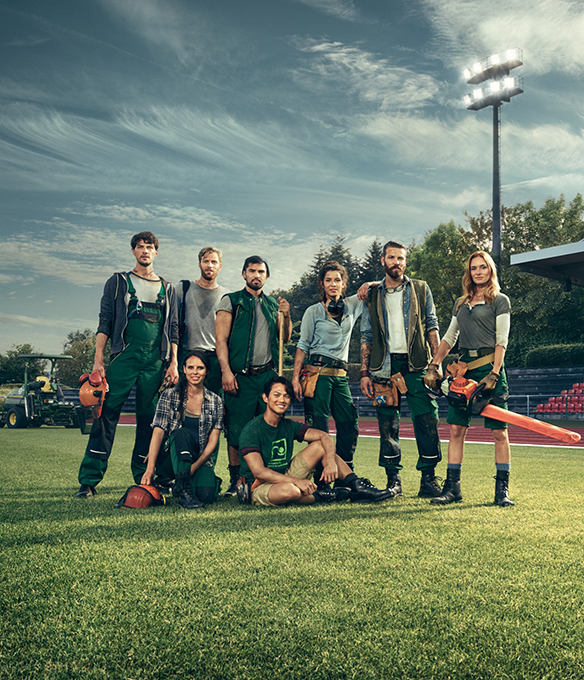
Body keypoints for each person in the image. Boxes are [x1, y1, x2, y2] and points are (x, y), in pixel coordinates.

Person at [75, 231, 179, 498]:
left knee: (150, 421)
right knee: (105, 415)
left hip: (156, 362)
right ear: (133, 251)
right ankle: (89, 480)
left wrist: (173, 363)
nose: (145, 251)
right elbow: (105, 321)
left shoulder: (168, 288)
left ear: (157, 252)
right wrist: (99, 360)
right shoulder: (119, 281)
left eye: (150, 247)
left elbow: (175, 329)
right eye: (140, 247)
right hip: (123, 358)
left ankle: (144, 477)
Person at [426, 251, 514, 507]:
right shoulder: (461, 303)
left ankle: (502, 491)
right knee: (456, 429)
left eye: (483, 267)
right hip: (463, 373)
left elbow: (502, 340)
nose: (478, 272)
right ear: (469, 272)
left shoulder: (500, 300)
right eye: (474, 268)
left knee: (499, 432)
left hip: (490, 369)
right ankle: (452, 488)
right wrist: (435, 363)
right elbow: (450, 337)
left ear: (490, 270)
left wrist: (495, 373)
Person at [360, 240, 443, 498]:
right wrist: (364, 372)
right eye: (392, 257)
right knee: (387, 425)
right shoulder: (372, 294)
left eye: (401, 258)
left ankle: (428, 479)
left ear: (406, 262)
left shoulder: (420, 288)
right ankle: (393, 481)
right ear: (383, 260)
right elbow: (365, 334)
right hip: (383, 368)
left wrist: (436, 363)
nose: (397, 262)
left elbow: (432, 324)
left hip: (416, 364)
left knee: (428, 418)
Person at [239, 376, 394, 506]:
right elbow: (260, 472)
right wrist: (297, 482)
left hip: (284, 475)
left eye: (286, 396)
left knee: (321, 446)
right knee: (291, 491)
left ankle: (357, 485)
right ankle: (325, 495)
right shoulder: (252, 430)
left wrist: (329, 462)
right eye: (277, 395)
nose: (282, 400)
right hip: (258, 485)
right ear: (265, 398)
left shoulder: (288, 425)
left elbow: (324, 436)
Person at [215, 255, 291, 497]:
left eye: (261, 272)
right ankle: (236, 480)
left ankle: (261, 478)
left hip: (266, 376)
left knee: (267, 427)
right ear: (244, 274)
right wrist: (226, 371)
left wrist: (286, 316)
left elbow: (284, 338)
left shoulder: (272, 305)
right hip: (240, 377)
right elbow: (220, 340)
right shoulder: (231, 301)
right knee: (237, 430)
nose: (256, 275)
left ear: (266, 276)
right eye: (251, 271)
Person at [292, 260, 362, 480]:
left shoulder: (353, 304)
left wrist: (366, 284)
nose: (333, 284)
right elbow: (303, 345)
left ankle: (345, 476)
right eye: (328, 280)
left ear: (344, 284)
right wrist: (295, 378)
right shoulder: (313, 311)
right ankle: (321, 479)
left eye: (338, 280)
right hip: (317, 375)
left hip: (341, 377)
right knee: (319, 429)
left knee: (349, 424)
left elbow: (381, 284)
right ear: (321, 284)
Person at [141, 351, 223, 508]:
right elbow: (158, 433)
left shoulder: (216, 401)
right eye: (190, 367)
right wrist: (150, 469)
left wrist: (191, 468)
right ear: (184, 369)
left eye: (200, 368)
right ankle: (181, 489)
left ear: (207, 371)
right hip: (170, 459)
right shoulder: (169, 395)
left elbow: (212, 444)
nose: (195, 372)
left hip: (197, 459)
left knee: (207, 495)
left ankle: (179, 484)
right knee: (182, 434)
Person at [175, 246, 229, 474]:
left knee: (212, 417)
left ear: (220, 266)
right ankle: (175, 469)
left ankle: (206, 468)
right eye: (206, 261)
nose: (210, 265)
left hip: (214, 360)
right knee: (179, 415)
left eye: (214, 262)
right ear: (199, 264)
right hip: (187, 355)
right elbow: (172, 325)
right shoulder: (183, 289)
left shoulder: (226, 296)